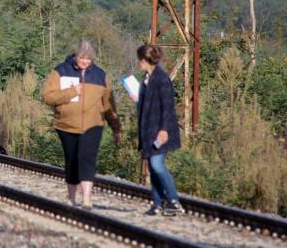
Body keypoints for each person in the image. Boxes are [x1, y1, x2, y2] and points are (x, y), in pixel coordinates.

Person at [42, 40, 121, 210]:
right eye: (81, 58)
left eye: (88, 58)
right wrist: (71, 92)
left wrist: (116, 128)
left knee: (87, 158)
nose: (85, 61)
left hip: (93, 125)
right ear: (75, 56)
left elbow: (109, 104)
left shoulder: (100, 75)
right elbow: (48, 96)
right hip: (66, 125)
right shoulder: (60, 71)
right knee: (72, 160)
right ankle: (71, 198)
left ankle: (86, 199)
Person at [132, 44, 184, 216]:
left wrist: (163, 129)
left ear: (145, 60)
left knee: (157, 164)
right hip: (149, 130)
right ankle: (158, 202)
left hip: (160, 131)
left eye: (139, 59)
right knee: (153, 167)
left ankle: (174, 200)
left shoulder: (161, 79)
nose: (138, 62)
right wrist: (138, 100)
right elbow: (149, 105)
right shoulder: (146, 79)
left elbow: (168, 106)